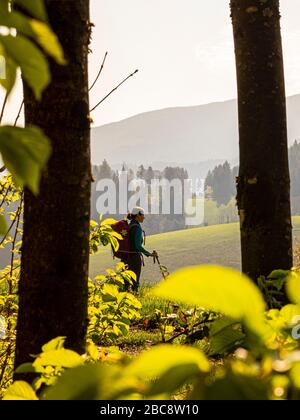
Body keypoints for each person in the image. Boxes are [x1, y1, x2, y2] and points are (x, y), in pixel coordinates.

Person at [122, 206, 157, 292]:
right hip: (134, 259)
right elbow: (138, 246)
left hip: (125, 258)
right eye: (143, 215)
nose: (144, 217)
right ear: (138, 215)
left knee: (126, 283)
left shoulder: (129, 226)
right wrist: (149, 254)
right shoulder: (137, 228)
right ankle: (135, 300)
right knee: (135, 282)